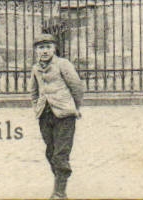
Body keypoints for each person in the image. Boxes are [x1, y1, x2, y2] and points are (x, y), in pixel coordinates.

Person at [30, 33, 84, 199]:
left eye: (48, 47)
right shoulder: (36, 68)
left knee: (61, 154)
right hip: (45, 116)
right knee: (50, 153)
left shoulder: (63, 64)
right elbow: (34, 92)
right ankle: (60, 180)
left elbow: (77, 87)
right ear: (36, 50)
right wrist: (37, 108)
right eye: (41, 48)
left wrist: (74, 107)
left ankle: (60, 192)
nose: (44, 51)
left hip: (64, 115)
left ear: (54, 49)